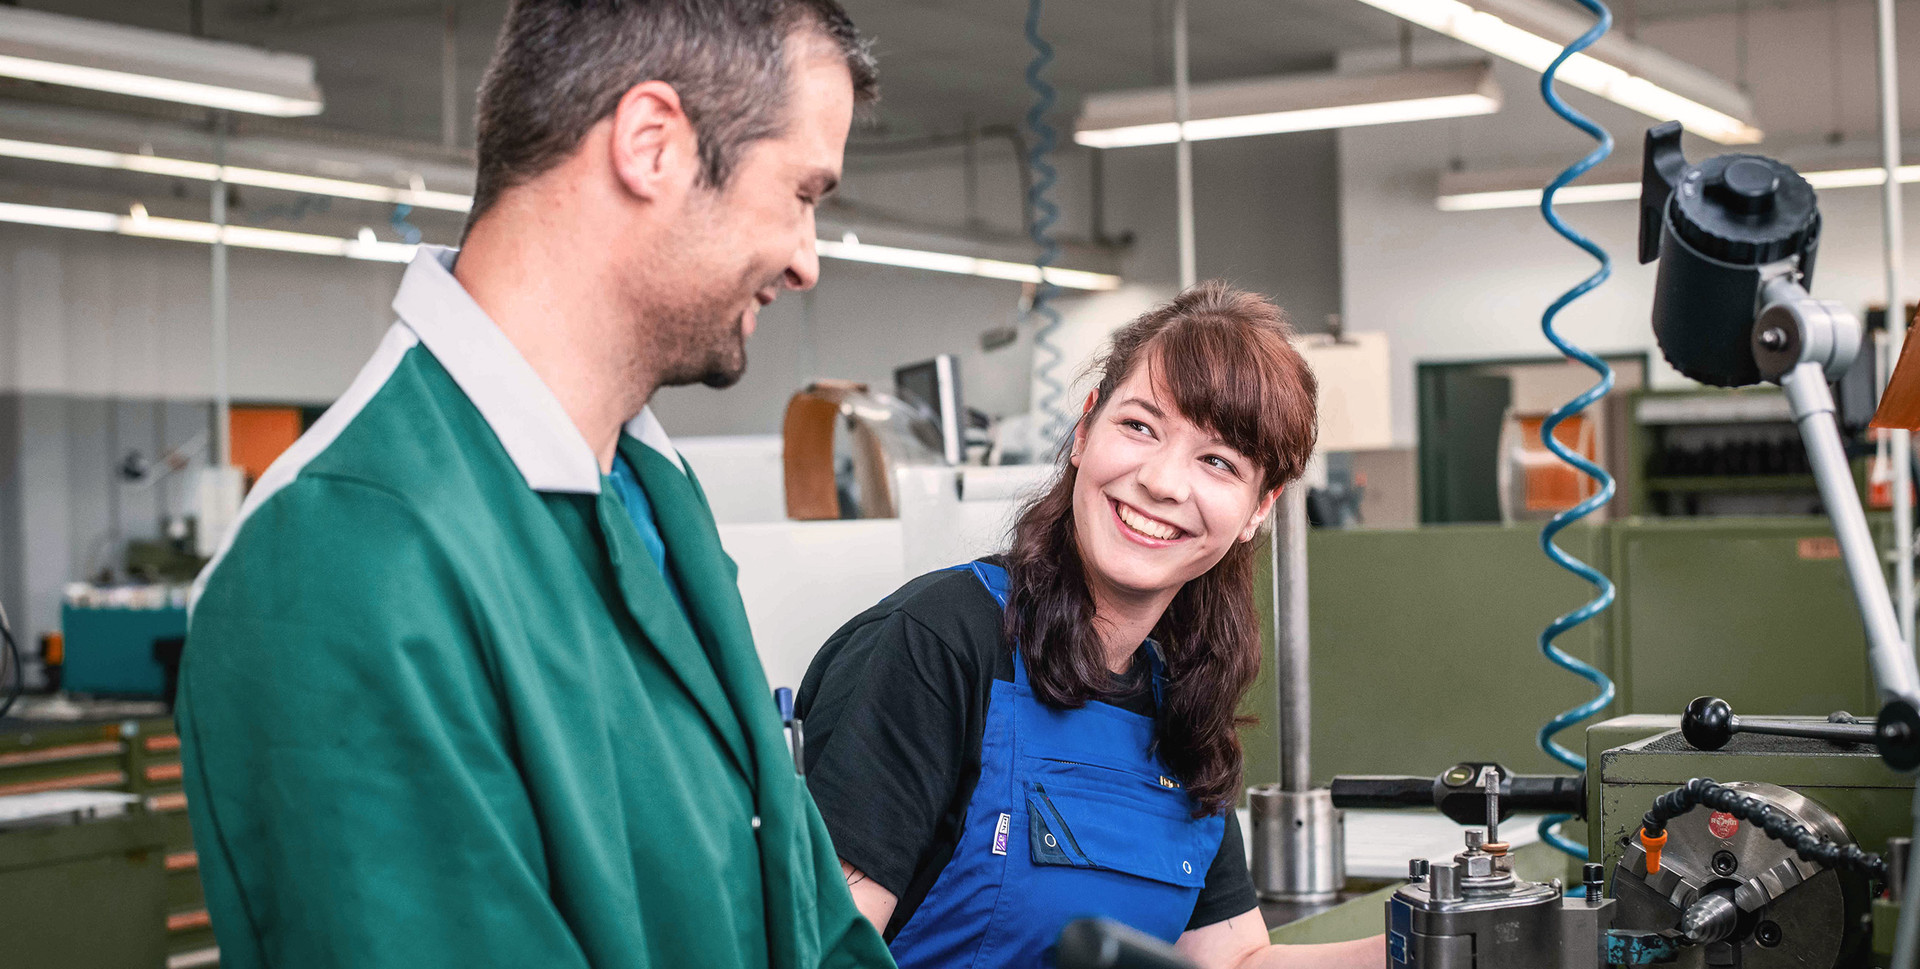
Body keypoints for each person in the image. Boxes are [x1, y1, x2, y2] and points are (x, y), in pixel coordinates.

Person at [176, 3, 892, 967]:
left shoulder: (655, 491)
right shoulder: (340, 564)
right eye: (803, 193)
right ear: (652, 145)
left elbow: (806, 912)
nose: (807, 260)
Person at [796, 283, 1385, 968]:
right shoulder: (935, 647)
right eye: (1139, 426)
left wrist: (1422, 946)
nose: (1164, 481)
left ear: (1260, 507)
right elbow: (821, 948)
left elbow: (1231, 963)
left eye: (1218, 461)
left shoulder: (1182, 711)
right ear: (1084, 431)